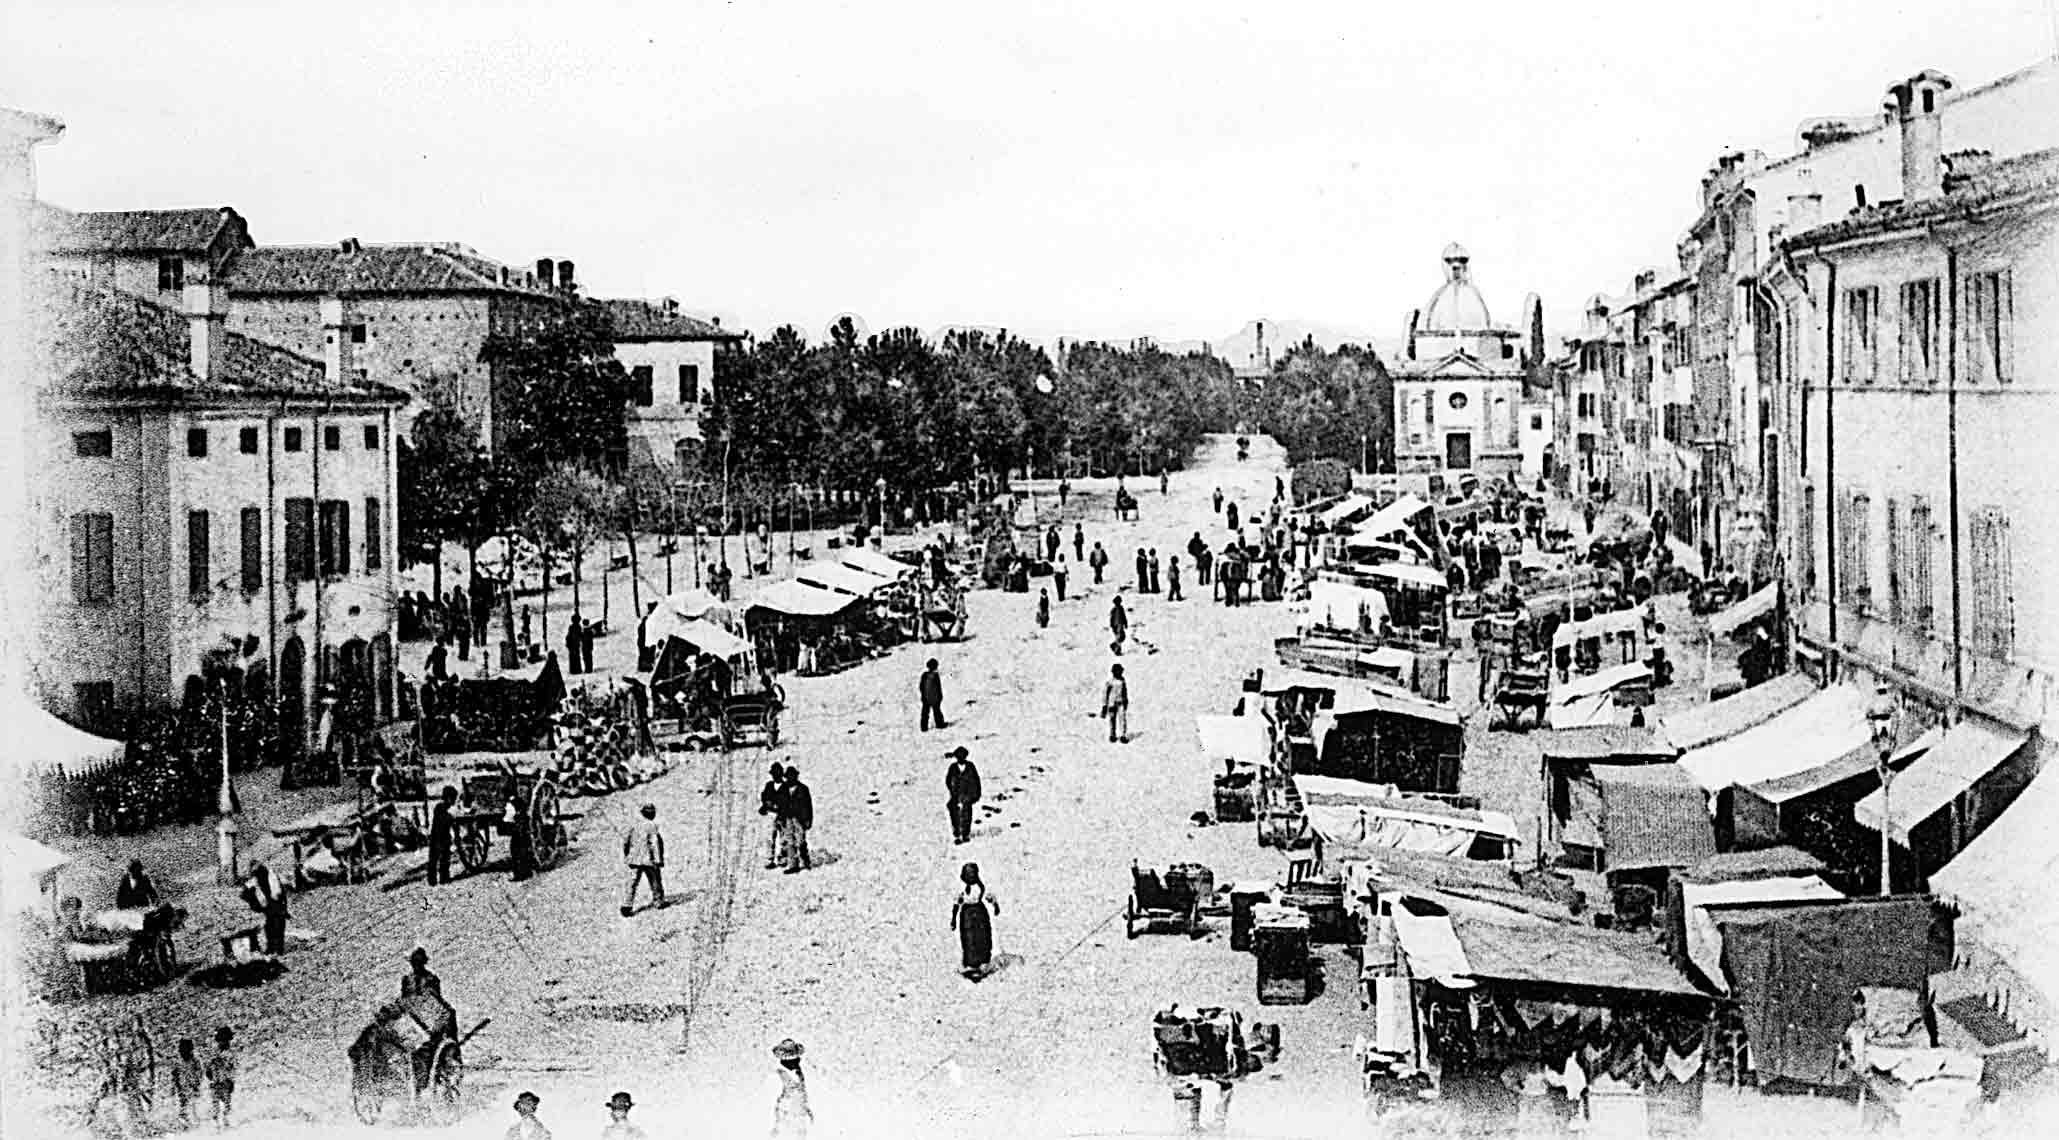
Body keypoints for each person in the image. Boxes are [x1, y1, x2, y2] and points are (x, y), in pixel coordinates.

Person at [951, 862, 1000, 979]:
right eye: (968, 874)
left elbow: (989, 897)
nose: (971, 876)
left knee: (982, 936)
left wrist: (996, 906)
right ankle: (971, 964)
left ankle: (984, 962)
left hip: (980, 913)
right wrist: (953, 919)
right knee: (969, 937)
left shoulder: (981, 886)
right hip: (967, 914)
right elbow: (956, 904)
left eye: (973, 874)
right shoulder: (961, 888)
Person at [621, 803, 666, 916]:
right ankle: (658, 901)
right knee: (655, 880)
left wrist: (627, 855)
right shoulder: (652, 826)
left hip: (634, 859)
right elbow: (655, 844)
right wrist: (658, 860)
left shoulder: (634, 824)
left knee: (631, 883)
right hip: (649, 859)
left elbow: (626, 842)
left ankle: (627, 905)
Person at [242, 864, 289, 956]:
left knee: (278, 927)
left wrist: (284, 908)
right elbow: (244, 894)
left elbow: (281, 893)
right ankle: (272, 948)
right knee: (270, 927)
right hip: (266, 907)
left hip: (276, 905)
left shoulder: (272, 878)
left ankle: (278, 949)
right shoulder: (253, 883)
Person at [769, 1039, 812, 1139]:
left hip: (799, 1119)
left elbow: (802, 1093)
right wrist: (778, 1125)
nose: (799, 1060)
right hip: (786, 1121)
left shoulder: (799, 1073)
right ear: (786, 1061)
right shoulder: (778, 1077)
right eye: (795, 1059)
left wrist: (806, 1109)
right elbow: (777, 1103)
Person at [778, 766, 814, 873]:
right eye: (788, 776)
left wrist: (808, 820)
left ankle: (805, 861)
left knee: (800, 840)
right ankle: (793, 865)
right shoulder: (783, 789)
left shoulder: (803, 789)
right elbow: (780, 804)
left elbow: (808, 806)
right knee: (790, 841)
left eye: (792, 776)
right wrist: (781, 817)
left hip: (800, 818)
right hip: (788, 818)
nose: (790, 778)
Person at [205, 1026, 236, 1129]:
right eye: (222, 1040)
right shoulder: (214, 1053)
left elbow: (232, 1069)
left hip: (225, 1082)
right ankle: (217, 1122)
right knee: (216, 1104)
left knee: (225, 1103)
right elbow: (208, 1068)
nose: (225, 1042)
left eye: (226, 1040)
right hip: (216, 1081)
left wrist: (231, 1080)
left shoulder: (229, 1053)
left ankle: (225, 1121)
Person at [427, 786, 458, 886]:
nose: (454, 801)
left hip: (443, 837)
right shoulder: (439, 807)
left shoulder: (444, 808)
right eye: (453, 798)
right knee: (435, 859)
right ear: (448, 798)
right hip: (437, 837)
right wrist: (451, 818)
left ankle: (443, 878)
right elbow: (444, 820)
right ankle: (433, 879)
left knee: (444, 858)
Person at [760, 763, 788, 869]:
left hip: (782, 815)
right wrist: (767, 804)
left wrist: (780, 807)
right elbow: (764, 796)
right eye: (774, 774)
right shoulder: (769, 785)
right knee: (769, 838)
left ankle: (782, 858)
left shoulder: (786, 786)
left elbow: (788, 801)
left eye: (778, 774)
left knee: (783, 837)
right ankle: (769, 859)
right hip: (771, 814)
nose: (776, 776)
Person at [171, 1037, 203, 1129]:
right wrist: (175, 1087)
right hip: (182, 1088)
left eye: (185, 1049)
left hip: (192, 1087)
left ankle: (194, 1125)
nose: (182, 1052)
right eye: (181, 1049)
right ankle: (185, 1124)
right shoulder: (178, 1062)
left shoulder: (195, 1061)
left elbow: (199, 1074)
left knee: (193, 1107)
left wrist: (196, 1084)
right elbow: (174, 1076)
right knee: (183, 1106)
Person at [1103, 663, 1130, 744]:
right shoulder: (1110, 682)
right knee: (1112, 719)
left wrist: (1126, 700)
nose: (1119, 673)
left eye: (1120, 671)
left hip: (1121, 702)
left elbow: (1124, 691)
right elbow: (1105, 694)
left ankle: (1123, 735)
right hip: (1112, 703)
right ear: (1113, 672)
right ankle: (1112, 734)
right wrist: (1104, 705)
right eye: (1117, 671)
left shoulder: (1122, 681)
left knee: (1122, 719)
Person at [919, 658, 948, 731]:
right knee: (936, 712)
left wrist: (923, 695)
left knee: (925, 713)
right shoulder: (935, 675)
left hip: (927, 697)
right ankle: (939, 724)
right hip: (935, 698)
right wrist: (940, 696)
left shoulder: (925, 675)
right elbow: (938, 687)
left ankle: (924, 727)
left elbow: (921, 687)